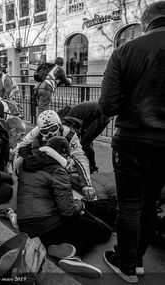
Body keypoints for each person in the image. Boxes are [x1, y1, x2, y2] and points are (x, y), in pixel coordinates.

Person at [99, 2, 165, 283]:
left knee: (129, 204)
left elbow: (108, 105)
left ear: (144, 22)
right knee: (150, 203)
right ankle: (136, 261)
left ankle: (128, 265)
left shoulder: (126, 50)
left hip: (132, 141)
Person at [17, 136, 114, 278]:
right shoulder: (57, 170)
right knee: (98, 228)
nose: (69, 160)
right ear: (62, 154)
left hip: (26, 226)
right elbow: (68, 211)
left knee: (79, 221)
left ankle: (56, 247)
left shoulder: (29, 162)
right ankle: (74, 256)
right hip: (46, 226)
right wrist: (80, 204)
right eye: (68, 156)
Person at [14, 110, 96, 201]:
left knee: (74, 175)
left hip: (63, 160)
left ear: (59, 126)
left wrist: (87, 184)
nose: (50, 134)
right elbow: (22, 146)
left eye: (53, 129)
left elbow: (80, 157)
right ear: (40, 130)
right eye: (45, 131)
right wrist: (20, 158)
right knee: (23, 163)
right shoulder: (36, 131)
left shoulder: (69, 134)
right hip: (46, 159)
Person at [59, 101, 111, 174]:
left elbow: (71, 139)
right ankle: (90, 166)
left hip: (101, 116)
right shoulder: (70, 114)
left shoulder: (67, 120)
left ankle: (92, 167)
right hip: (98, 115)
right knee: (87, 142)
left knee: (85, 143)